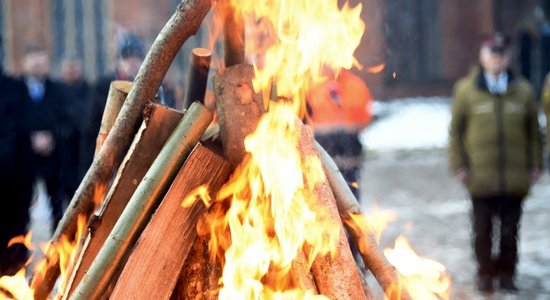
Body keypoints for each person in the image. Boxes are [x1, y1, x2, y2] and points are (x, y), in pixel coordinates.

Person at [448, 33, 543, 293]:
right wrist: (459, 164)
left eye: (501, 53)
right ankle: (485, 275)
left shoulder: (522, 91)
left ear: (508, 57)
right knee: (482, 231)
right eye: (492, 53)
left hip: (514, 177)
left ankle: (507, 275)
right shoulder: (467, 90)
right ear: (482, 56)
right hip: (480, 177)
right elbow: (456, 131)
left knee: (510, 231)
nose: (496, 58)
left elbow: (535, 132)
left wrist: (536, 163)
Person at [19, 46, 73, 229]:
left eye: (41, 62)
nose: (38, 66)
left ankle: (57, 252)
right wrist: (30, 139)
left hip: (53, 157)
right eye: (34, 62)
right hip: (24, 157)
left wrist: (51, 138)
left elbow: (66, 120)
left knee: (57, 208)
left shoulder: (58, 90)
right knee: (21, 207)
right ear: (25, 63)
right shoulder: (16, 90)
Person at [306, 68, 373, 200]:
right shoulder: (313, 85)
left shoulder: (355, 85)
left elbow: (365, 118)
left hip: (349, 157)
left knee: (350, 198)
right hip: (321, 155)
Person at [0, 40, 34, 275]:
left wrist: (27, 187)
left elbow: (23, 140)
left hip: (12, 186)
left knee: (12, 251)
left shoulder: (15, 89)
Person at [59, 57, 90, 195]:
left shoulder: (89, 90)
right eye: (68, 67)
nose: (72, 71)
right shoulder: (58, 92)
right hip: (64, 151)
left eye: (75, 67)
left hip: (85, 148)